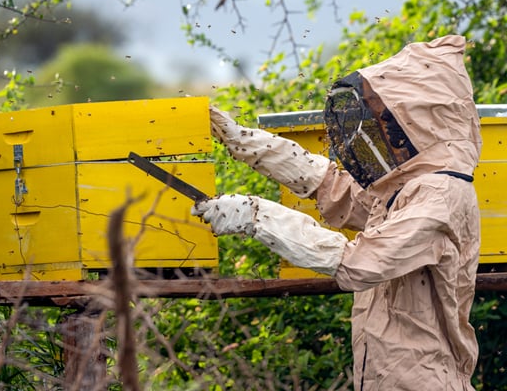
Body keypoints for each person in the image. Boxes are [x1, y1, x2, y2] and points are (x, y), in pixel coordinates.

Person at [192, 35, 482, 390]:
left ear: (419, 121)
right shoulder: (408, 186)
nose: (380, 126)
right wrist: (247, 143)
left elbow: (360, 262)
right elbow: (335, 189)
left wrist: (256, 217)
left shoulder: (441, 194)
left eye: (387, 117)